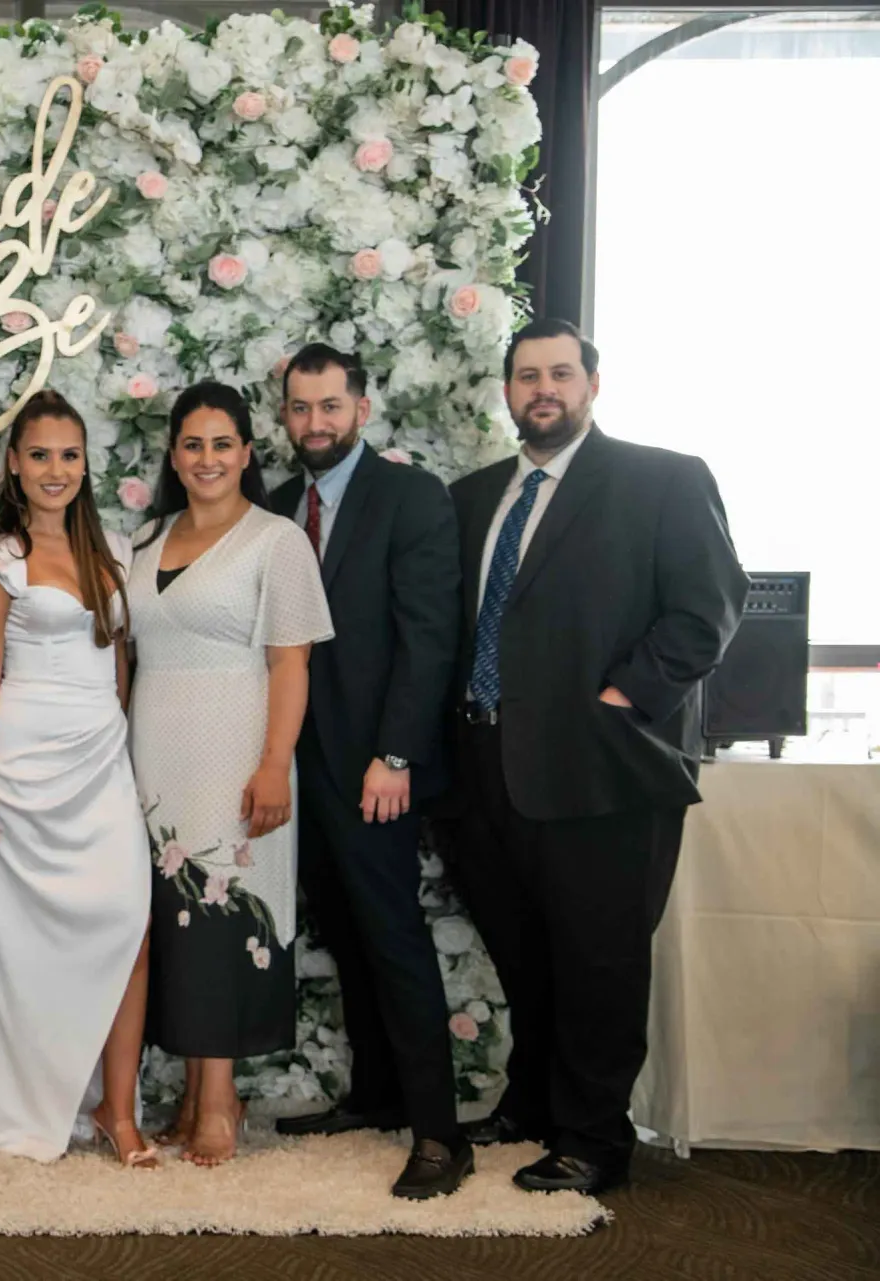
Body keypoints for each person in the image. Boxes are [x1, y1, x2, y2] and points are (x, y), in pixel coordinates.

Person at [446, 319, 746, 1194]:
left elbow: (708, 610)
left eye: (561, 373)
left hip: (605, 769)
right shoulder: (473, 498)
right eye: (527, 375)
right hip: (485, 770)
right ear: (507, 391)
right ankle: (534, 1103)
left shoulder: (663, 480)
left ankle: (594, 1140)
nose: (544, 388)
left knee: (599, 962)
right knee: (525, 953)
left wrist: (626, 698)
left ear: (592, 385)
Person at [264, 345, 469, 1199]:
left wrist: (396, 757)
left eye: (330, 406)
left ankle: (439, 1134)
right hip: (297, 769)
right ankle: (377, 1096)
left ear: (362, 408)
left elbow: (430, 637)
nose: (315, 423)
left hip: (372, 766)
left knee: (392, 938)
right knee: (345, 935)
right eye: (300, 408)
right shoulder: (275, 507)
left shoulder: (409, 496)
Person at [127, 380, 333, 1167]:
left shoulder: (275, 540)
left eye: (222, 443)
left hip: (235, 755)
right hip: (154, 758)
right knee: (172, 929)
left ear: (247, 452)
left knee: (219, 921)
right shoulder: (146, 540)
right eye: (192, 444)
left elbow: (292, 662)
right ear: (174, 456)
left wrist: (275, 762)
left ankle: (219, 1100)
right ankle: (189, 1091)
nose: (207, 458)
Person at [0, 389, 153, 1167]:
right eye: (39, 454)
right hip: (18, 765)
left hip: (99, 759)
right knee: (18, 946)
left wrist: (123, 745)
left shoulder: (114, 551)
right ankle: (21, 1110)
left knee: (128, 923)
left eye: (69, 454)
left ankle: (118, 1106)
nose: (55, 468)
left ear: (85, 462)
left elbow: (122, 664)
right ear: (13, 463)